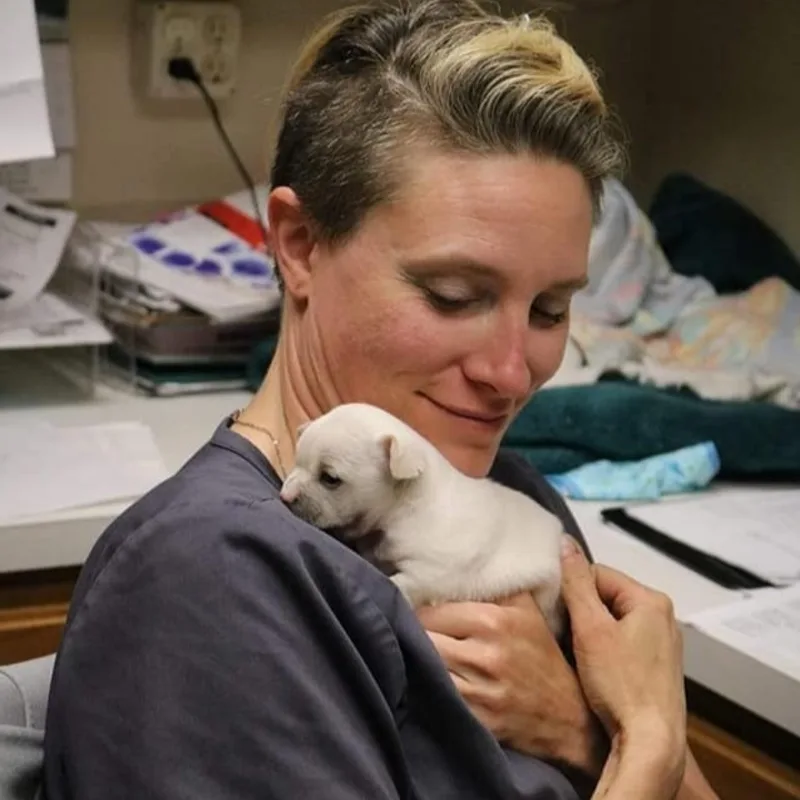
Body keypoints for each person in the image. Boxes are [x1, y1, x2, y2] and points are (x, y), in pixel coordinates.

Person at [42, 1, 719, 798]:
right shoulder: (214, 583)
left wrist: (576, 725)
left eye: (549, 310)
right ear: (300, 247)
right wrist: (640, 741)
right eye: (453, 294)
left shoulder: (503, 499)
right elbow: (659, 761)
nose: (512, 373)